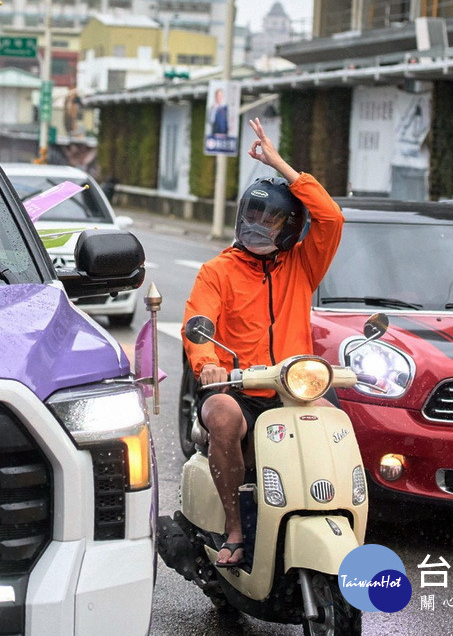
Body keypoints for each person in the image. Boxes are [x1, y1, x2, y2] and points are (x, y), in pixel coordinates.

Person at [181, 118, 344, 568]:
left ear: (291, 228)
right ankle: (235, 526)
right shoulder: (218, 270)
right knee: (224, 415)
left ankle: (336, 514)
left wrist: (280, 165)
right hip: (235, 389)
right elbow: (198, 321)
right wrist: (208, 364)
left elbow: (330, 216)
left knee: (336, 424)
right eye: (252, 216)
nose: (257, 226)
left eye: (270, 219)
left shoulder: (303, 265)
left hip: (291, 391)